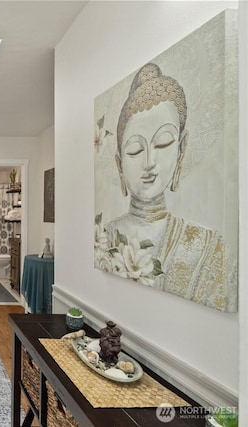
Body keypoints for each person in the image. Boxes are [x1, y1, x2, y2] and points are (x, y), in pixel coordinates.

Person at [96, 63, 236, 312]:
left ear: (181, 149)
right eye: (135, 150)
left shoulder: (209, 247)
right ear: (119, 164)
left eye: (162, 143)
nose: (149, 162)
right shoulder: (102, 236)